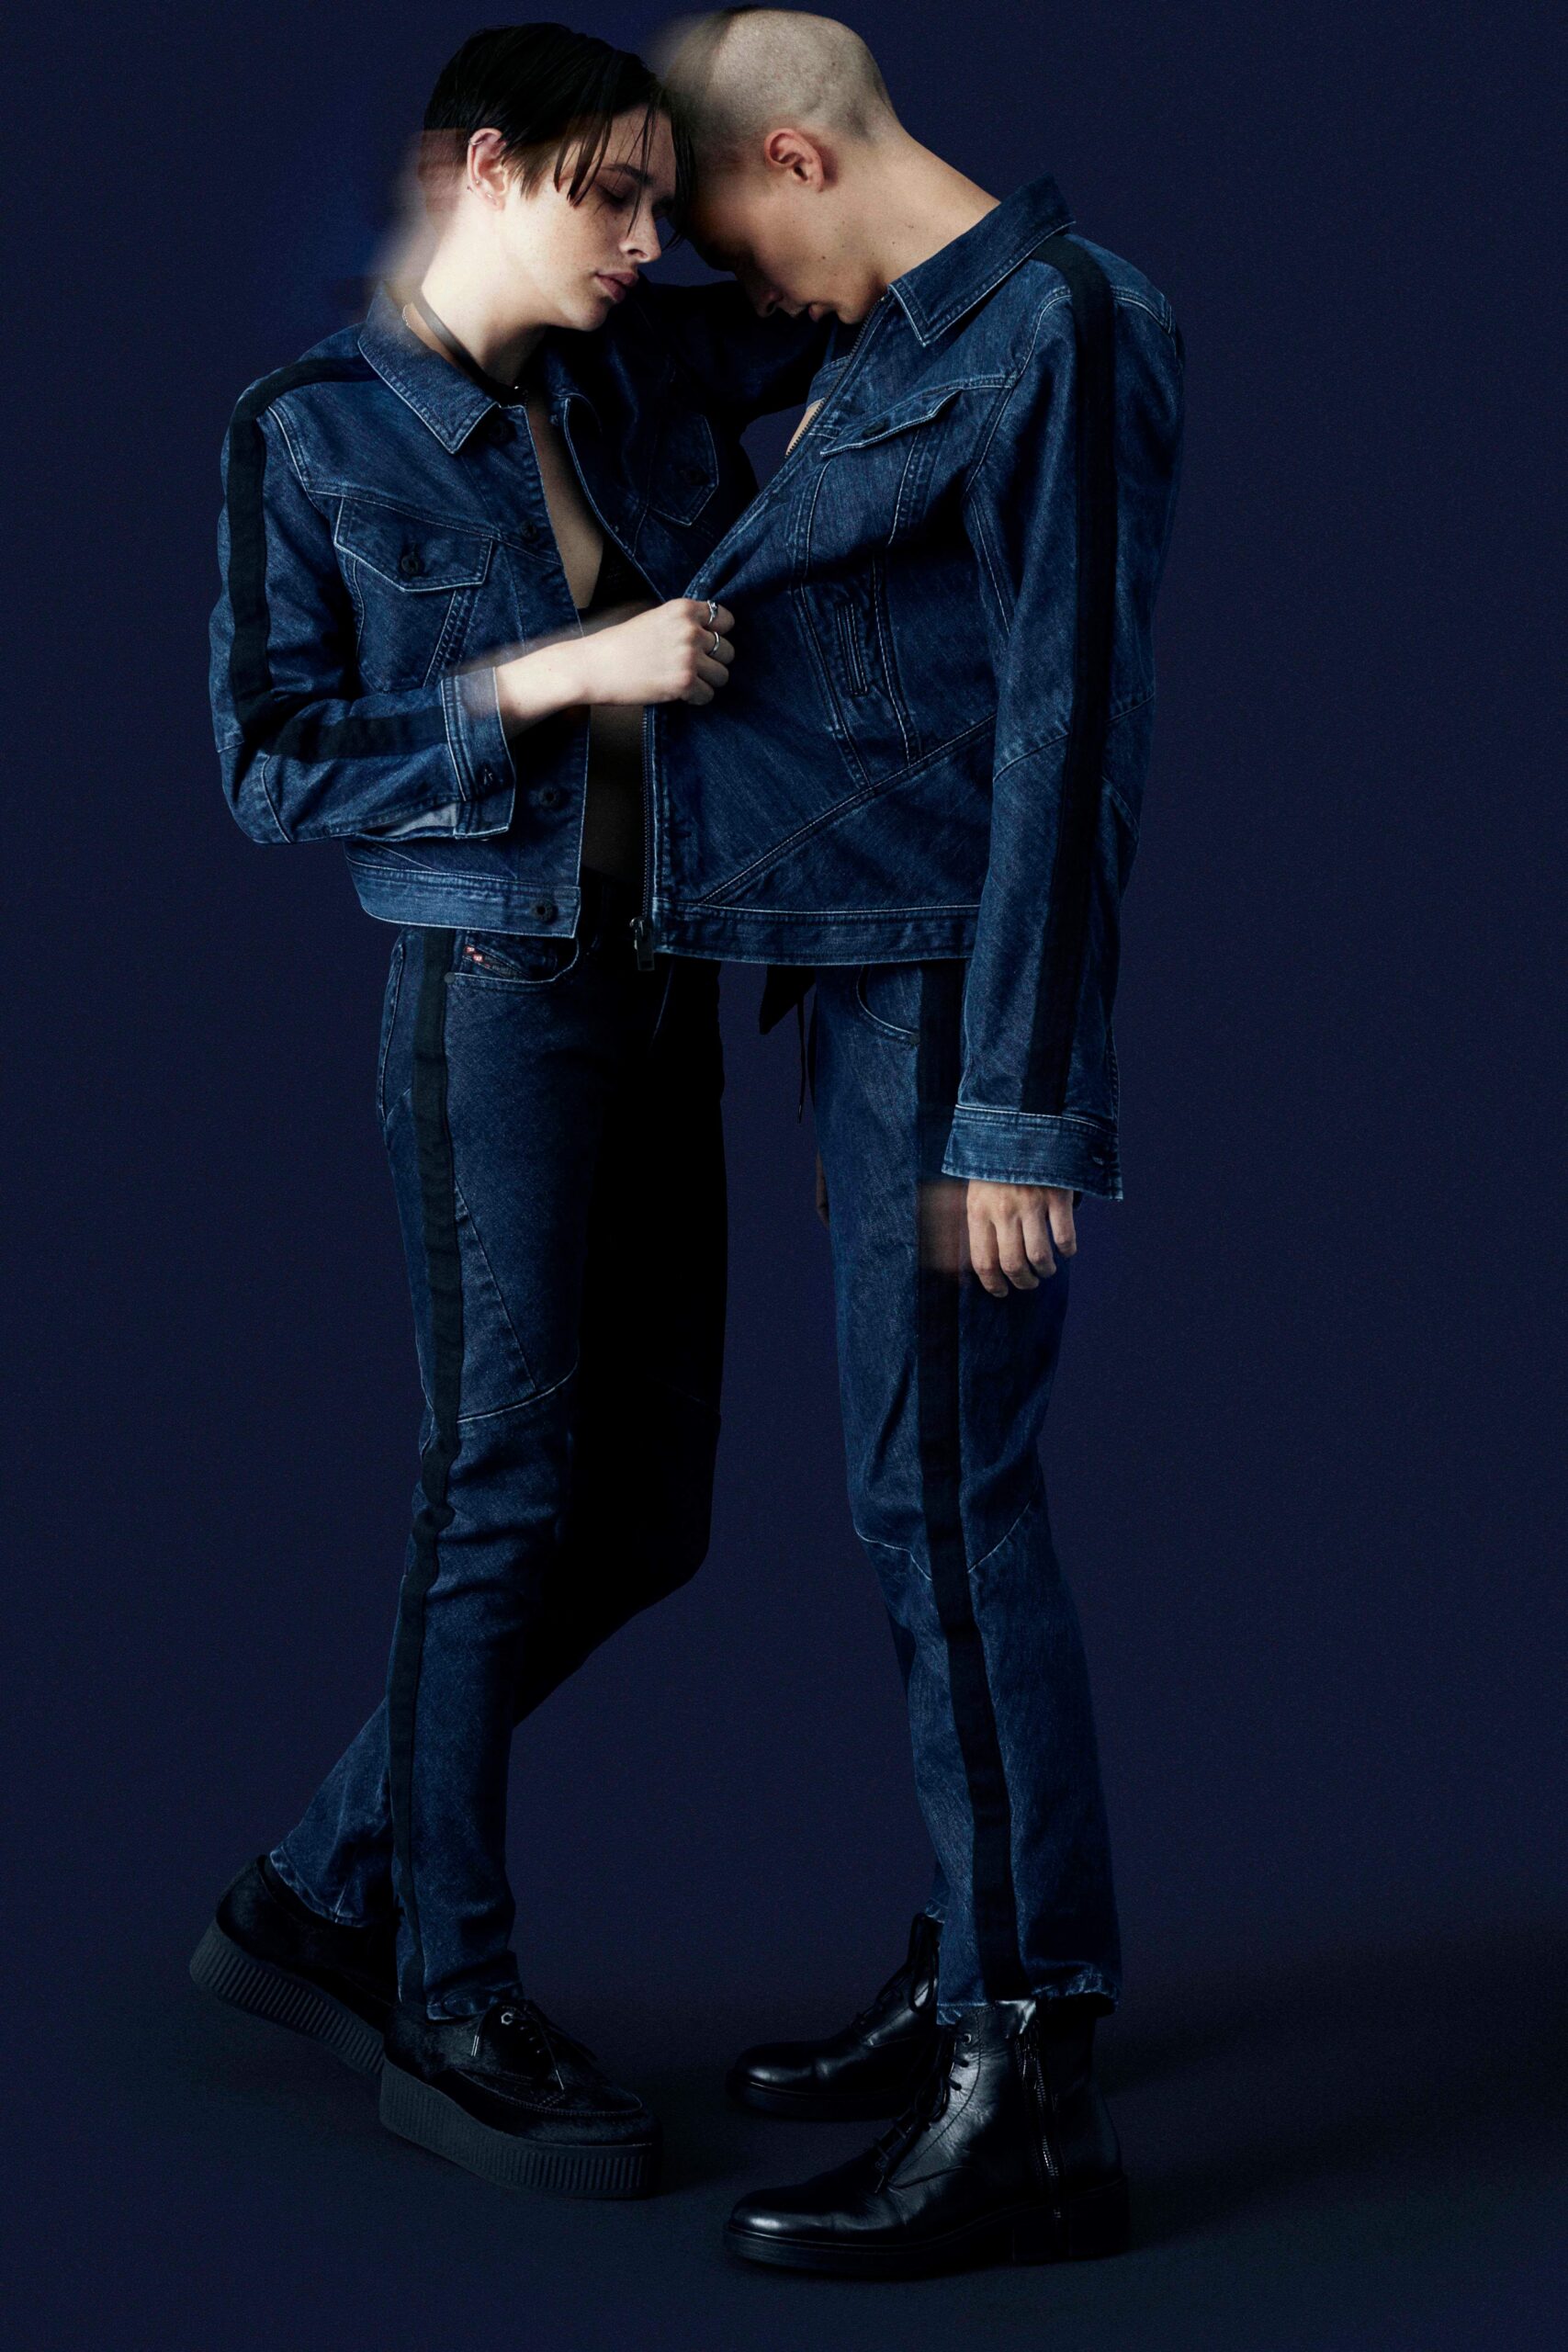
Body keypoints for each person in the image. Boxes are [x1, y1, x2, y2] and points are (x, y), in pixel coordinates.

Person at [195, 22, 825, 2201]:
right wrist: (560, 673)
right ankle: (446, 1998)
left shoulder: (630, 371)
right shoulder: (312, 429)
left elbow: (841, 310)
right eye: (610, 195)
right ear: (485, 167)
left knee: (646, 1514)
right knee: (498, 1492)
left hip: (665, 985)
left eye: (662, 195)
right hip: (492, 1006)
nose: (648, 237)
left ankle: (316, 1880)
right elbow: (271, 762)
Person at [649, 8, 1186, 2276]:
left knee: (947, 1504)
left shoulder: (1059, 326)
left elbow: (1070, 733)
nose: (737, 283)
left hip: (958, 1005)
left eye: (727, 231)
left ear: (793, 155)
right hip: (868, 982)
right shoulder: (897, 334)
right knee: (910, 1499)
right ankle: (972, 1945)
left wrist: (1012, 1104)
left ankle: (1027, 2085)